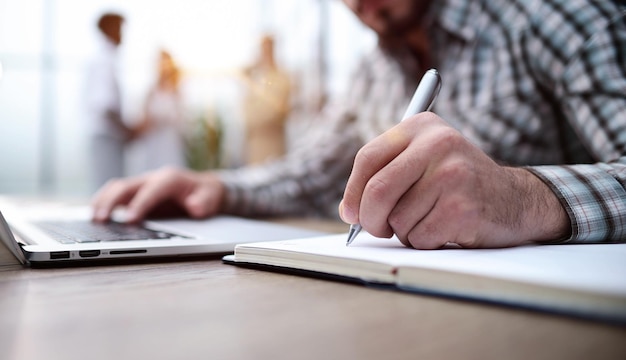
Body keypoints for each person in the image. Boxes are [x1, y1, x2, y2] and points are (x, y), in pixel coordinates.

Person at [92, 0, 626, 250]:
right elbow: (313, 172)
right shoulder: (373, 69)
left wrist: (518, 198)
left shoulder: (556, 17)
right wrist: (214, 187)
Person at [84, 12, 140, 191]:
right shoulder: (105, 60)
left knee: (108, 188)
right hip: (107, 136)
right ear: (109, 29)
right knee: (110, 190)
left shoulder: (103, 58)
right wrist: (127, 130)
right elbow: (106, 105)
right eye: (120, 28)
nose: (123, 34)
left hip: (106, 135)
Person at [130, 50, 188, 173]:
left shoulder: (177, 90)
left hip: (170, 145)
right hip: (153, 145)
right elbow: (144, 120)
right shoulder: (151, 91)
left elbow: (181, 119)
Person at [241, 34, 291, 165]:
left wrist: (252, 114)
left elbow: (271, 113)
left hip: (271, 149)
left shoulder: (281, 78)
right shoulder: (257, 80)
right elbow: (246, 112)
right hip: (255, 148)